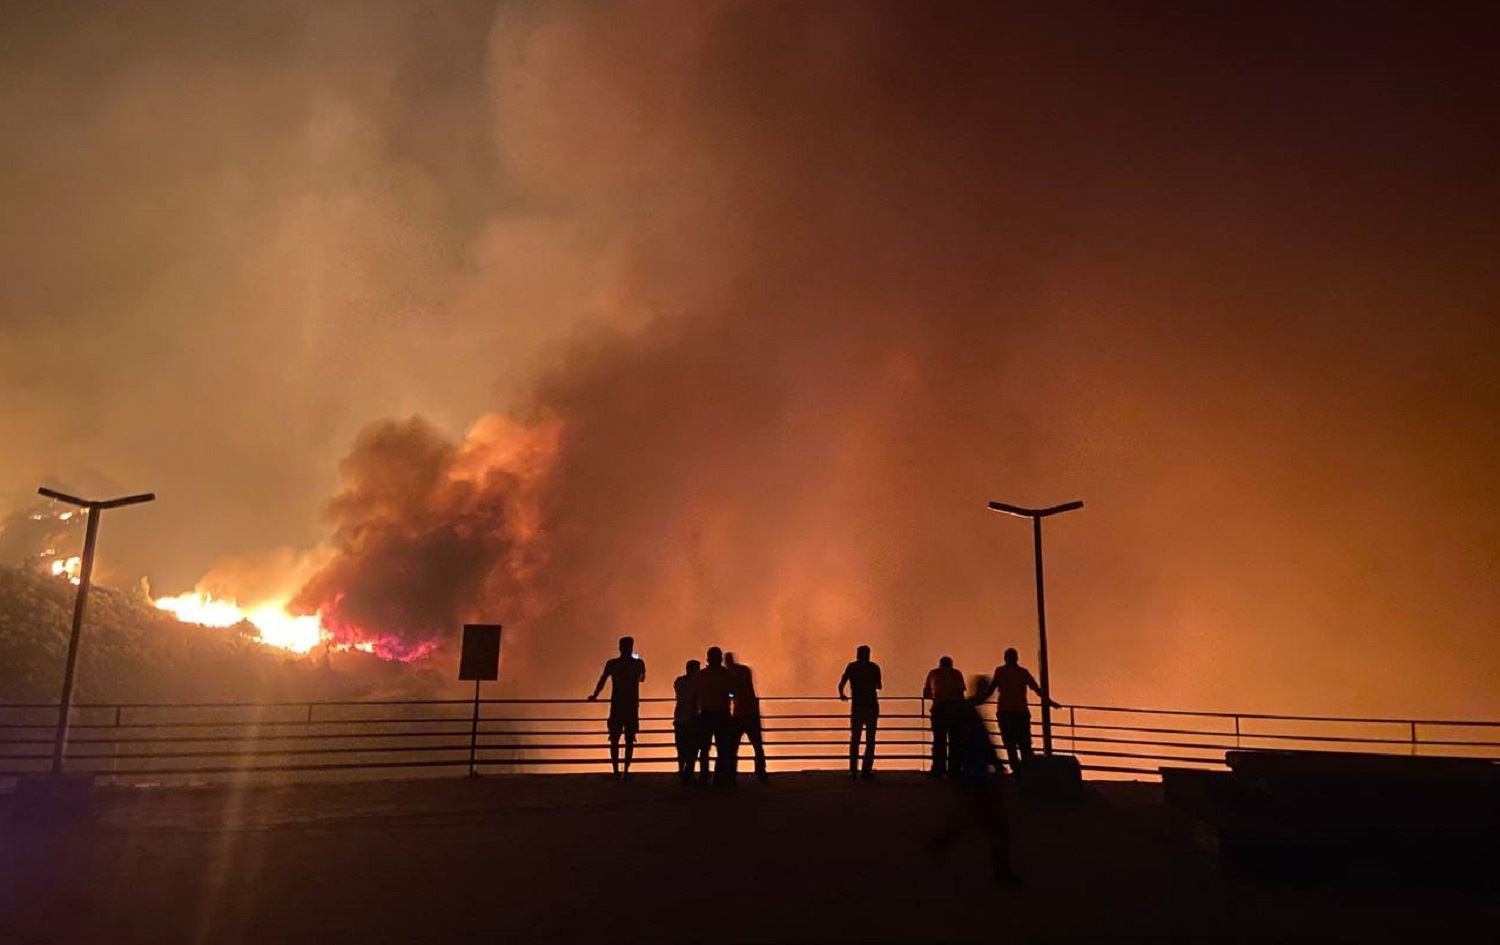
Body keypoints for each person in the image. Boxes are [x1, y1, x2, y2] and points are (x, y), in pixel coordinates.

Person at [927, 674, 1019, 884]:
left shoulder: (965, 710)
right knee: (995, 823)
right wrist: (995, 763)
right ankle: (1001, 872)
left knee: (974, 819)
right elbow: (978, 742)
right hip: (975, 775)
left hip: (971, 774)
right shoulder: (969, 712)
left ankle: (940, 845)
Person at [988, 647, 1058, 771]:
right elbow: (1036, 689)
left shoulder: (1004, 671)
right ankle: (1025, 771)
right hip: (1017, 712)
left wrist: (975, 700)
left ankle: (1020, 771)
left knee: (1013, 744)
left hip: (1009, 712)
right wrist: (1049, 702)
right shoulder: (1020, 672)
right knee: (1022, 744)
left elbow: (990, 690)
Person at [587, 636, 646, 779]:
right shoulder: (638, 664)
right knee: (629, 739)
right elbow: (642, 679)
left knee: (614, 739)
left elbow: (602, 680)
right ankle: (625, 770)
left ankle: (616, 771)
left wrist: (595, 695)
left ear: (620, 647)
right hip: (631, 705)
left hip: (617, 705)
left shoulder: (613, 664)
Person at [693, 646, 738, 786]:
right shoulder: (726, 674)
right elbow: (733, 691)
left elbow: (695, 694)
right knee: (722, 748)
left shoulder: (701, 675)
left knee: (704, 748)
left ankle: (704, 776)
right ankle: (719, 778)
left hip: (706, 714)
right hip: (722, 714)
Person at [837, 644, 882, 779]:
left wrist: (842, 694)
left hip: (857, 706)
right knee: (870, 740)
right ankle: (866, 771)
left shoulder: (852, 667)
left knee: (855, 739)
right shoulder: (874, 667)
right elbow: (879, 686)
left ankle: (853, 770)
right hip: (871, 706)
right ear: (868, 654)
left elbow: (842, 683)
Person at [725, 652, 769, 781]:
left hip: (739, 714)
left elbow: (732, 691)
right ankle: (760, 771)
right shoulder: (744, 670)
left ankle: (732, 772)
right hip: (751, 712)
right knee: (757, 745)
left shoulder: (730, 674)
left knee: (733, 746)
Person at [922, 656, 966, 778]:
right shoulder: (956, 673)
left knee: (939, 741)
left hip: (939, 709)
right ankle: (954, 770)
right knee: (955, 741)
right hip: (954, 709)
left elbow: (926, 693)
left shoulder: (933, 673)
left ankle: (938, 769)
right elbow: (961, 693)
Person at [672, 659, 709, 784]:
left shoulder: (679, 681)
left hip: (681, 719)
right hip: (692, 719)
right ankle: (688, 772)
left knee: (682, 748)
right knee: (692, 748)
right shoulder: (697, 683)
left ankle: (683, 772)